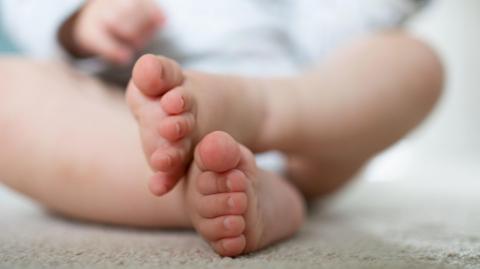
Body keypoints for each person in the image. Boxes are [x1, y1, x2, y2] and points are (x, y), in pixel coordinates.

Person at [0, 0, 443, 256]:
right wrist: (80, 19)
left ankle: (259, 112)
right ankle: (208, 193)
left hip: (302, 122)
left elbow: (340, 23)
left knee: (410, 59)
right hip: (128, 124)